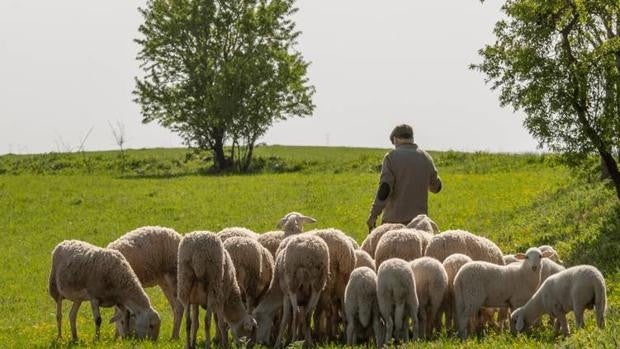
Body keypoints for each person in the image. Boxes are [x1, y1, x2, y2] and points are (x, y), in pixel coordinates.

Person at [366, 124, 442, 231]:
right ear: (411, 138)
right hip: (420, 225)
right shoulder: (426, 157)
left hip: (393, 224)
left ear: (395, 139)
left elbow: (385, 189)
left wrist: (373, 215)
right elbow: (437, 187)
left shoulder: (391, 158)